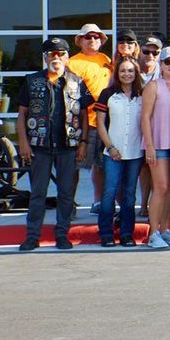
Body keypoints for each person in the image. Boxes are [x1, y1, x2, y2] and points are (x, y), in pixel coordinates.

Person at [16, 37, 94, 252]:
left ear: (67, 57)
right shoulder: (31, 80)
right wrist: (23, 142)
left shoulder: (76, 82)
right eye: (52, 53)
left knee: (66, 193)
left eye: (61, 53)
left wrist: (84, 142)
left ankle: (62, 235)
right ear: (45, 57)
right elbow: (21, 114)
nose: (56, 57)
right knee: (38, 192)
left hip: (68, 146)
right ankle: (32, 236)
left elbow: (85, 115)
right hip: (39, 147)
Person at [141, 46, 170, 248]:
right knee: (159, 187)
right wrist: (149, 145)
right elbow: (144, 117)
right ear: (161, 64)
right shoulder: (153, 86)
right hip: (158, 142)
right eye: (167, 61)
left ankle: (165, 229)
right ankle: (153, 233)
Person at [95, 57, 145, 247]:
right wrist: (110, 146)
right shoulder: (107, 94)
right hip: (113, 152)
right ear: (117, 73)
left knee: (130, 194)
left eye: (130, 71)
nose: (127, 74)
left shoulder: (142, 94)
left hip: (135, 153)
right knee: (109, 192)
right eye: (123, 70)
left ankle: (126, 233)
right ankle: (106, 233)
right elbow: (100, 123)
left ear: (136, 73)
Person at [67, 23, 111, 212]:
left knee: (101, 166)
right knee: (74, 166)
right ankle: (68, 203)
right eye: (88, 37)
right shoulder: (72, 63)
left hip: (105, 122)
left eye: (96, 37)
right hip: (83, 123)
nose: (92, 39)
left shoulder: (106, 59)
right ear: (80, 41)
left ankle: (98, 201)